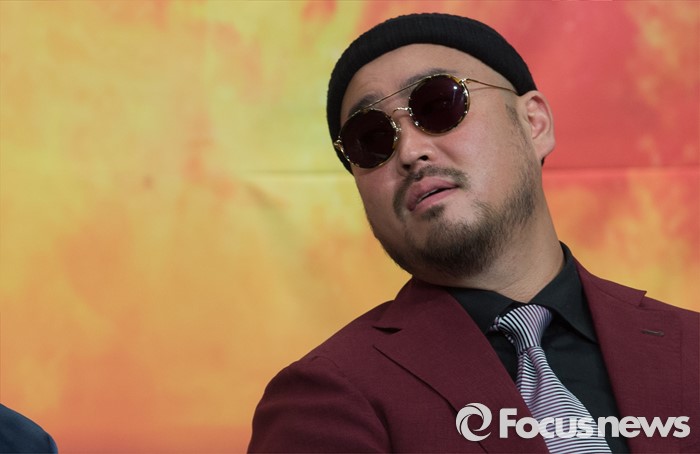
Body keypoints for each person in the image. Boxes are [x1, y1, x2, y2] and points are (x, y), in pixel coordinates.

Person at [248, 13, 699, 453]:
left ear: (534, 123)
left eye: (438, 105)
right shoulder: (325, 396)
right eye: (371, 139)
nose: (410, 151)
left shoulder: (691, 345)